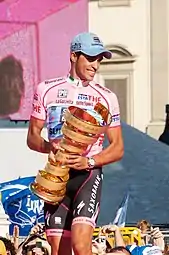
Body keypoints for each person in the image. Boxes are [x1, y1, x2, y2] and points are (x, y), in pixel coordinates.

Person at [27, 32, 124, 255]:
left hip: (87, 175)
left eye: (99, 59)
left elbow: (117, 147)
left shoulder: (106, 97)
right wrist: (47, 147)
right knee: (58, 250)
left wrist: (89, 161)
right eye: (90, 58)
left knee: (81, 246)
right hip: (57, 175)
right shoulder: (46, 90)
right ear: (73, 56)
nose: (95, 65)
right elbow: (32, 137)